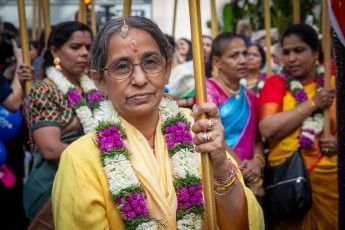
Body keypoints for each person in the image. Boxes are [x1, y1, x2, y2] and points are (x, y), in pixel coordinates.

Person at [52, 16, 264, 229]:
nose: (140, 79)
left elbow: (241, 224)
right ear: (100, 81)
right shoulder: (80, 159)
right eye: (122, 66)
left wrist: (219, 165)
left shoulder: (197, 131)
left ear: (167, 70)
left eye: (151, 62)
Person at [257, 24, 338, 229]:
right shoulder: (276, 83)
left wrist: (339, 143)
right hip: (289, 179)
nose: (291, 58)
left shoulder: (333, 85)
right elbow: (268, 128)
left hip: (331, 181)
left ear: (316, 52)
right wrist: (312, 104)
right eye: (286, 52)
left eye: (299, 50)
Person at [23, 21, 102, 229]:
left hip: (92, 184)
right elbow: (50, 149)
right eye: (76, 47)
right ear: (55, 51)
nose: (84, 53)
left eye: (88, 47)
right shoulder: (43, 91)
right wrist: (106, 155)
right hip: (53, 188)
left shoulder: (93, 88)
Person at [199, 32, 265, 201]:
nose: (243, 60)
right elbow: (212, 137)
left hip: (252, 175)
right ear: (217, 62)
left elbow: (257, 138)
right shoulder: (207, 92)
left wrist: (257, 162)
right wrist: (243, 171)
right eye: (234, 55)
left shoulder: (250, 95)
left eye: (244, 53)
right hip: (221, 174)